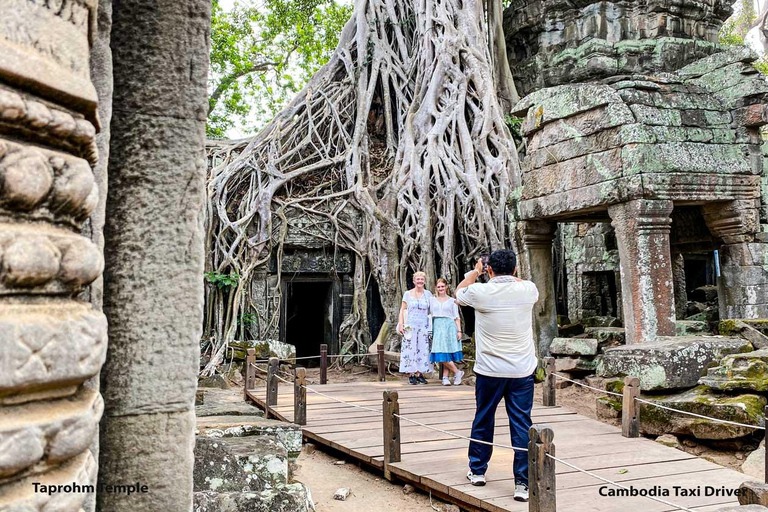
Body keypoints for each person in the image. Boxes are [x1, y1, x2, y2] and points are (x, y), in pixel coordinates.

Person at [455, 249, 538, 502]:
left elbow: (459, 291)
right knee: (522, 425)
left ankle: (477, 471)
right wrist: (508, 275)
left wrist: (476, 272)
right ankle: (523, 483)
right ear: (514, 269)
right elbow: (520, 282)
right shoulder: (528, 290)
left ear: (489, 269)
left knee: (484, 418)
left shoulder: (480, 292)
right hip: (521, 371)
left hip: (489, 371)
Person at [396, 271, 433, 385]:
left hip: (423, 325)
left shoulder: (428, 294)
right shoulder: (407, 294)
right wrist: (401, 324)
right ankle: (411, 373)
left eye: (422, 279)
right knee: (410, 349)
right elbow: (402, 310)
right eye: (418, 279)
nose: (420, 281)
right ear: (414, 281)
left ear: (424, 281)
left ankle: (419, 373)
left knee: (422, 349)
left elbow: (431, 311)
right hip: (410, 325)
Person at [428, 278, 464, 386]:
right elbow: (428, 313)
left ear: (446, 287)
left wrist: (459, 331)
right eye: (438, 287)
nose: (440, 288)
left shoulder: (452, 301)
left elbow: (456, 317)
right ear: (436, 288)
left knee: (447, 351)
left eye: (442, 286)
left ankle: (445, 377)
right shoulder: (432, 300)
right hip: (438, 326)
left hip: (449, 326)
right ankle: (458, 372)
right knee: (440, 351)